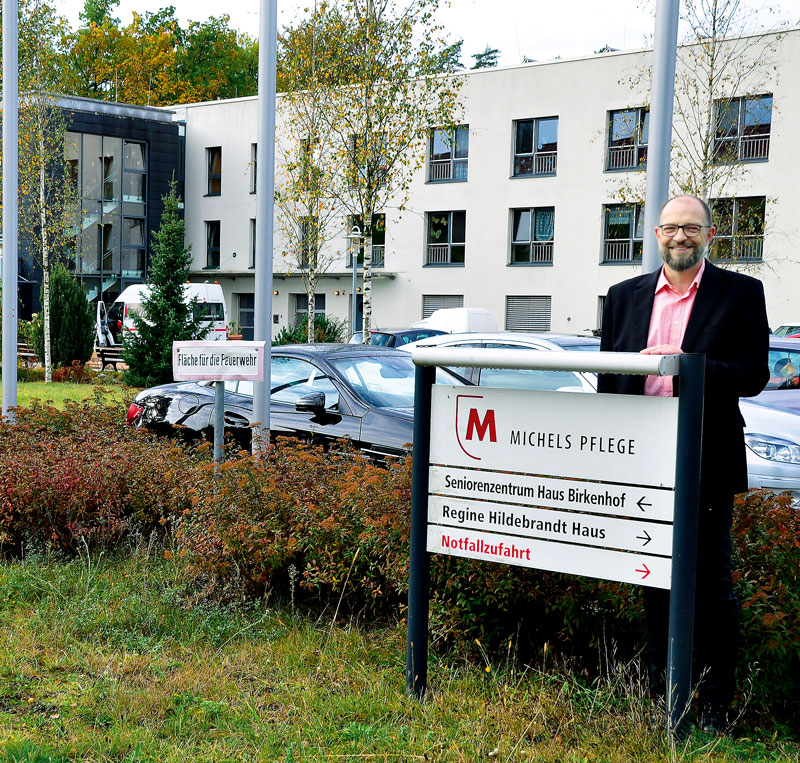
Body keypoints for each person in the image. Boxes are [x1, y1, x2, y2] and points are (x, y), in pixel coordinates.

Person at [598, 195, 769, 733]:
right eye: (671, 228)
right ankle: (663, 694)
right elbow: (608, 378)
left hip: (705, 457)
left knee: (712, 585)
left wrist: (684, 366)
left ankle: (714, 705)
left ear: (709, 235)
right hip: (640, 458)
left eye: (691, 228)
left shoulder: (741, 293)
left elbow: (753, 374)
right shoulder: (623, 297)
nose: (681, 237)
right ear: (655, 234)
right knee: (651, 578)